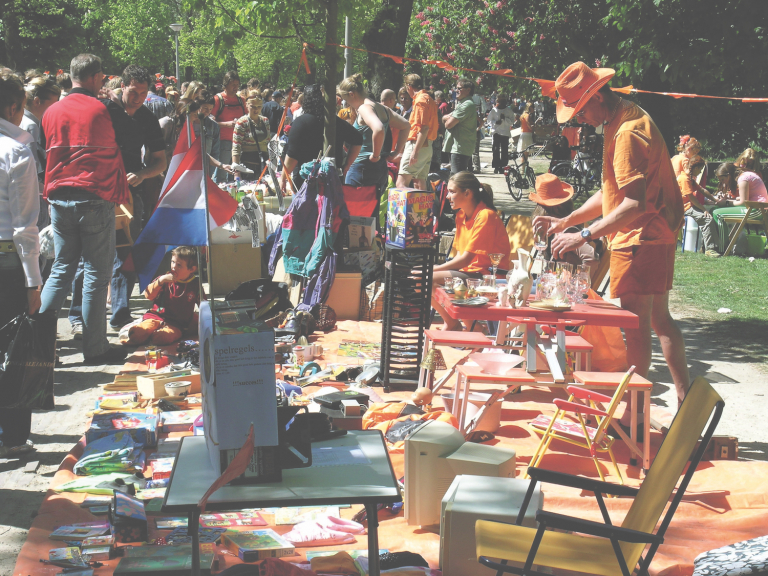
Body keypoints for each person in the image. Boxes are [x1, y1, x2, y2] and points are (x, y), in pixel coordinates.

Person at [535, 61, 687, 421]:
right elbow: (613, 194)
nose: (580, 118)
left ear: (599, 96)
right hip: (651, 234)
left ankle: (635, 414)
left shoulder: (626, 134)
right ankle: (684, 403)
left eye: (582, 109)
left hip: (641, 238)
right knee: (659, 321)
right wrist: (568, 220)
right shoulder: (622, 119)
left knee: (636, 327)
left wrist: (583, 236)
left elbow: (633, 205)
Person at [40, 54, 129, 365]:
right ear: (94, 77)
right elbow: (125, 140)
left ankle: (37, 346)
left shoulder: (51, 111)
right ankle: (95, 348)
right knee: (96, 274)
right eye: (102, 78)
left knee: (61, 269)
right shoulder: (103, 108)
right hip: (94, 196)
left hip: (58, 197)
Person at [103, 65, 167, 329]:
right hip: (100, 190)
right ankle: (78, 317)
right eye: (134, 91)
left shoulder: (147, 119)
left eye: (143, 92)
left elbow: (160, 162)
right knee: (90, 255)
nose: (139, 97)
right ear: (123, 86)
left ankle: (120, 311)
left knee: (125, 253)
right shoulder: (105, 110)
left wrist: (142, 175)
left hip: (130, 195)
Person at [0, 71, 42, 458]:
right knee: (13, 351)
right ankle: (12, 436)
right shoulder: (15, 151)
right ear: (15, 107)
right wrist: (33, 282)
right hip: (8, 266)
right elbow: (24, 227)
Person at [430, 171, 510, 331]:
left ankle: (472, 328)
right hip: (469, 273)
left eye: (452, 192)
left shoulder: (486, 216)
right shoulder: (460, 215)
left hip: (488, 276)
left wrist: (433, 269)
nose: (447, 196)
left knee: (426, 278)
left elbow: (465, 260)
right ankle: (453, 323)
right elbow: (459, 256)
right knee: (419, 277)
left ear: (467, 193)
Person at [279, 84, 363, 191]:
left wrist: (283, 178)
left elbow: (292, 155)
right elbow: (358, 139)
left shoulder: (300, 123)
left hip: (306, 182)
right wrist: (347, 165)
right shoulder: (335, 122)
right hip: (332, 181)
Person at [338, 73, 409, 191]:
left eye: (347, 101)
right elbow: (405, 126)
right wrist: (395, 152)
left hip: (361, 169)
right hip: (380, 169)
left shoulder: (364, 108)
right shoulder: (383, 108)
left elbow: (379, 129)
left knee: (353, 208)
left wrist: (375, 155)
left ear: (352, 94)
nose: (348, 105)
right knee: (373, 208)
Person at [126, 246, 201, 346]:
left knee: (162, 338)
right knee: (137, 334)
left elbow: (203, 305)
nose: (174, 267)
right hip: (156, 316)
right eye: (173, 262)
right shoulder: (164, 278)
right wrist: (160, 281)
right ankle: (145, 331)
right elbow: (148, 295)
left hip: (177, 323)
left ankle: (152, 335)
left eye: (179, 265)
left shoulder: (195, 284)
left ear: (191, 269)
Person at [530, 173, 600, 275]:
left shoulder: (568, 232)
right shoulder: (555, 229)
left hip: (562, 288)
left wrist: (577, 284)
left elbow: (592, 259)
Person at [22, 76, 61, 229]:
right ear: (37, 101)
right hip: (35, 197)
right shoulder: (32, 126)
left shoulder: (22, 120)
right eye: (53, 105)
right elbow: (34, 167)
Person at [712, 153, 768, 254]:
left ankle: (722, 249)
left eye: (723, 180)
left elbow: (742, 202)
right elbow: (743, 199)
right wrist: (728, 200)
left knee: (717, 214)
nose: (723, 183)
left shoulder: (743, 178)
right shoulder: (746, 176)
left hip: (757, 210)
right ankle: (724, 245)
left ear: (728, 175)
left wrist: (726, 202)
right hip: (756, 208)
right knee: (715, 210)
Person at [396, 74, 438, 190]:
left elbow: (424, 128)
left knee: (401, 184)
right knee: (419, 183)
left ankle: (406, 209)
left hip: (418, 144)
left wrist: (415, 151)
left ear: (409, 86)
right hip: (427, 146)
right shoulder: (428, 99)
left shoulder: (420, 100)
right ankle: (420, 209)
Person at [677, 156, 723, 256]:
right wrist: (703, 209)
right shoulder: (684, 179)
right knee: (706, 219)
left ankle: (706, 247)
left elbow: (702, 190)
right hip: (684, 207)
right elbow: (691, 198)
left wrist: (715, 200)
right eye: (700, 169)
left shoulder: (690, 178)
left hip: (690, 205)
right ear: (696, 168)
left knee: (710, 216)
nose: (700, 172)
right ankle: (710, 249)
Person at [212, 72, 246, 183]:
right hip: (223, 142)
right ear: (225, 84)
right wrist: (226, 124)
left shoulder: (241, 100)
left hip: (240, 142)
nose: (236, 87)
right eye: (233, 84)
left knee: (237, 174)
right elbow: (209, 122)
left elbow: (247, 118)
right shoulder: (218, 100)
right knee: (222, 174)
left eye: (237, 84)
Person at [441, 77, 477, 176]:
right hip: (456, 147)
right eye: (456, 88)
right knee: (456, 178)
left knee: (457, 179)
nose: (456, 90)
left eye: (459, 88)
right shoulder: (462, 104)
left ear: (468, 90)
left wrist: (446, 118)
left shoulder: (467, 105)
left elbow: (448, 124)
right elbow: (444, 118)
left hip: (460, 148)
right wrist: (446, 118)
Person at [232, 91, 270, 176]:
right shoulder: (242, 122)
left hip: (264, 165)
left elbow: (268, 143)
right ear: (247, 105)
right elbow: (236, 147)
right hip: (247, 167)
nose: (256, 110)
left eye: (259, 107)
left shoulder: (265, 121)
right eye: (253, 107)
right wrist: (237, 174)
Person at [486, 94, 515, 174]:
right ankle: (496, 166)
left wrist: (504, 119)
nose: (501, 103)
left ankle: (503, 166)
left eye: (503, 101)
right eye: (499, 101)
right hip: (496, 132)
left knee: (504, 150)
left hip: (505, 133)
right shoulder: (494, 110)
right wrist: (496, 122)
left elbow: (512, 121)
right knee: (495, 149)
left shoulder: (508, 110)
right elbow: (489, 121)